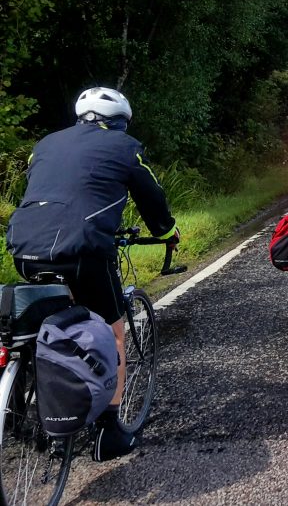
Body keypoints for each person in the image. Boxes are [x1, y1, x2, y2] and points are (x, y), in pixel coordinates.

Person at [5, 86, 179, 462]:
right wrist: (167, 232)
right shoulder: (126, 147)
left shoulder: (46, 144)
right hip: (82, 249)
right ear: (119, 121)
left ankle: (25, 409)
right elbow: (152, 197)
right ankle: (109, 432)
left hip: (25, 245)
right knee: (112, 331)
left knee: (44, 323)